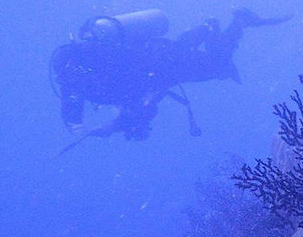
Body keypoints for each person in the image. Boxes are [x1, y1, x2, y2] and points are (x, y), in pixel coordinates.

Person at [52, 8, 286, 145]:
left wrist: (114, 126)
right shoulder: (93, 72)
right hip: (161, 59)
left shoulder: (93, 81)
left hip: (164, 66)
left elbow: (143, 103)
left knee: (218, 66)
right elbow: (138, 99)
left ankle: (233, 22)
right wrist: (113, 124)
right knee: (188, 53)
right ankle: (208, 28)